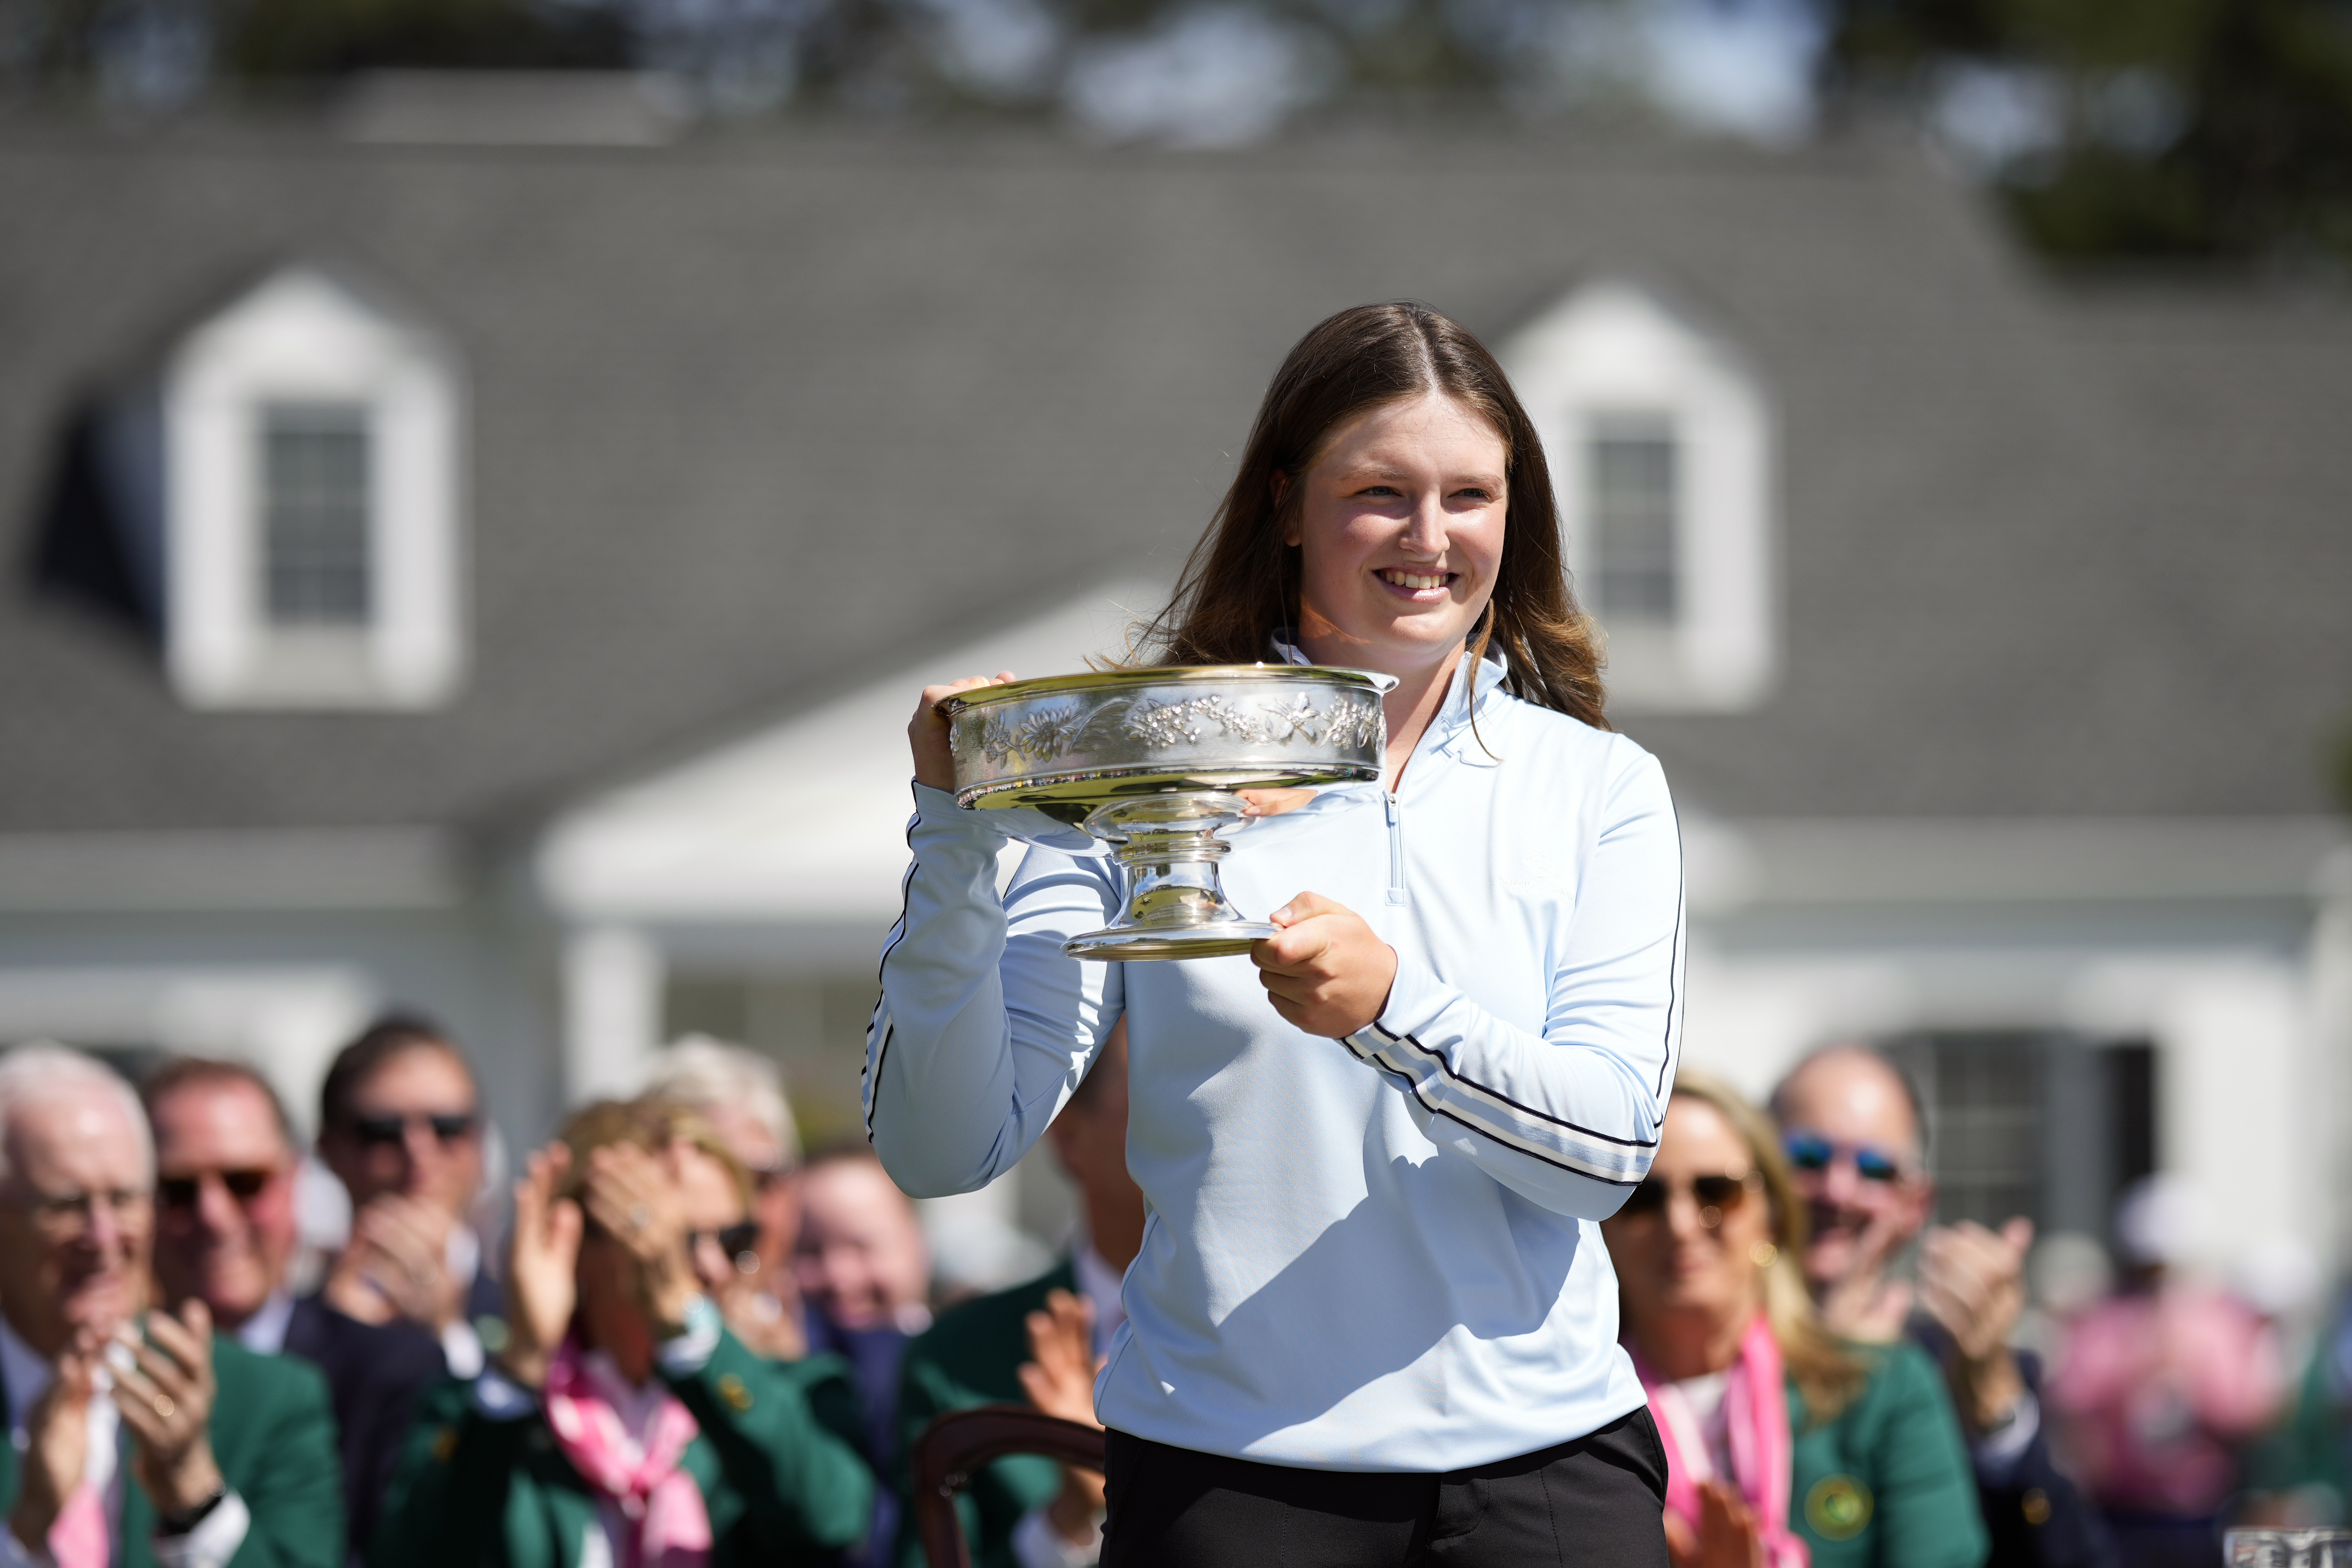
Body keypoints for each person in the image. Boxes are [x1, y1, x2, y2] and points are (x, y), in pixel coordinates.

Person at [867, 302, 1684, 1564]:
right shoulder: (1132, 763)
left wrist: (1390, 1009)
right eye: (1378, 492)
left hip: (1547, 1472)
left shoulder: (1598, 784)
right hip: (1228, 1477)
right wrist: (957, 840)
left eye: (1467, 493)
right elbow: (939, 1144)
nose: (1428, 538)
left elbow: (1606, 1149)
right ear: (1284, 503)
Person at [373, 1097, 875, 1568]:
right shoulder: (483, 1407)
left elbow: (834, 1519)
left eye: (732, 1239)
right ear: (572, 1243)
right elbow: (417, 1552)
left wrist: (689, 1341)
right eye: (670, 1239)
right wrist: (523, 1360)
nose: (712, 1267)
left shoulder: (791, 1392)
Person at [1604, 1070, 1988, 1568]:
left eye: (1716, 1191)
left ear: (1773, 1214)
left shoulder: (1884, 1388)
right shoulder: (1567, 1417)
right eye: (1644, 1196)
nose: (1680, 1224)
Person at [0, 1043, 342, 1568]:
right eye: (66, 1204)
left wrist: (193, 1496)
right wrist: (27, 1528)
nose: (104, 1236)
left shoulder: (265, 1398)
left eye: (123, 1198)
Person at [1770, 1047, 2112, 1568]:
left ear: (1915, 1204)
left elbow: (2073, 1556)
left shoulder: (1945, 1363)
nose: (1836, 1190)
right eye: (1808, 1156)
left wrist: (1991, 1413)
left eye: (1873, 1167)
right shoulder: (1687, 1340)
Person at [142, 1058, 445, 1557]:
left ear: (294, 1180)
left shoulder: (388, 1374)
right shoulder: (90, 1376)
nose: (213, 1215)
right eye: (178, 1190)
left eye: (245, 1182)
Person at [894, 1019, 1145, 1568]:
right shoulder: (957, 1362)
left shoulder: (1299, 1336)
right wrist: (1064, 1524)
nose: (1205, 1116)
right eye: (1156, 1087)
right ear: (1068, 1135)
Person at [2042, 1175, 2285, 1568]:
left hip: (2202, 1509)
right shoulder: (2105, 1318)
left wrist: (2190, 1367)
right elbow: (2071, 1395)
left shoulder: (2220, 1319)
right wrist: (2132, 1366)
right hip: (2123, 1507)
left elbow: (2247, 1408)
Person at [314, 1017, 499, 1378]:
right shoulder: (293, 1327)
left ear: (479, 1143)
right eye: (383, 1132)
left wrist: (449, 1336)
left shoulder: (533, 1318)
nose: (420, 1152)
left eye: (448, 1127)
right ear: (329, 1150)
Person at [795, 1147, 932, 1568]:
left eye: (862, 1245)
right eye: (810, 1250)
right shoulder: (776, 1375)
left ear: (917, 1244)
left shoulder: (962, 1369)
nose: (839, 1275)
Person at [637, 1037, 806, 1359]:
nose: (741, 1212)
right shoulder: (609, 1353)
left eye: (760, 1179)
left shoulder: (850, 1337)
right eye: (708, 1181)